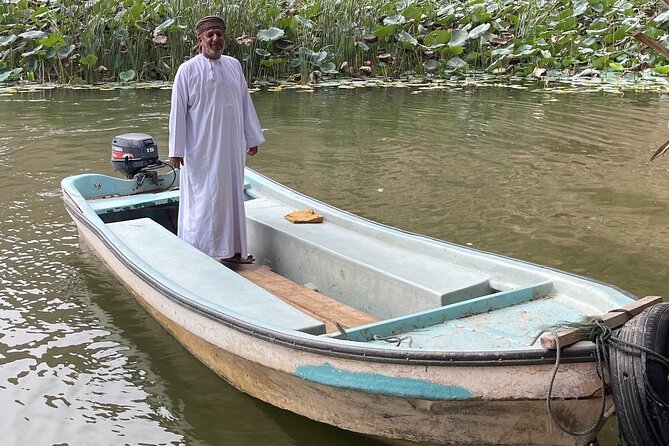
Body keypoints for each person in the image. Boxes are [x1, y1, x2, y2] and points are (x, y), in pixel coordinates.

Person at [168, 15, 264, 264]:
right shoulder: (187, 70)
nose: (215, 39)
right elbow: (177, 113)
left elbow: (245, 102)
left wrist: (251, 136)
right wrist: (176, 150)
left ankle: (233, 251)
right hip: (201, 150)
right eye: (209, 35)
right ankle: (204, 252)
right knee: (205, 200)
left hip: (231, 147)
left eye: (219, 34)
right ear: (200, 40)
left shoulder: (234, 65)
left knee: (231, 196)